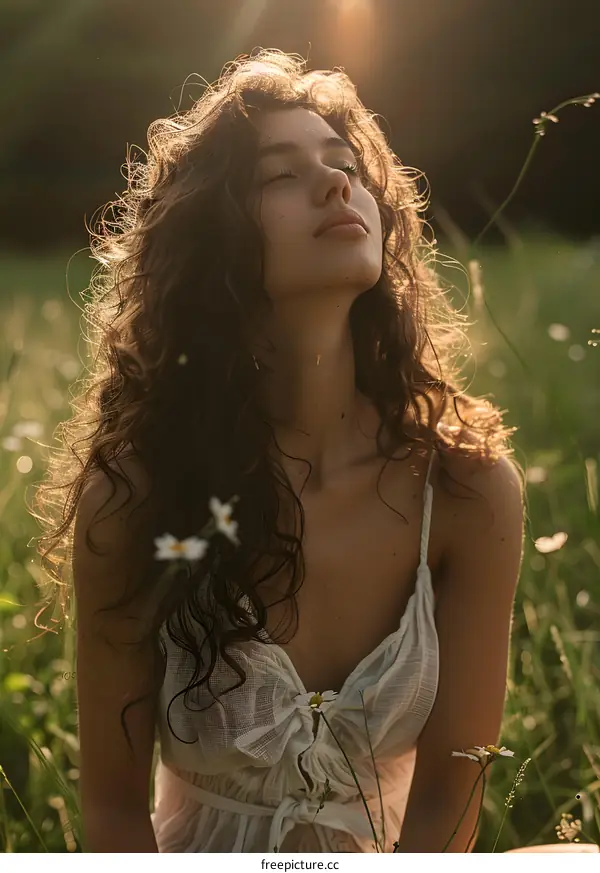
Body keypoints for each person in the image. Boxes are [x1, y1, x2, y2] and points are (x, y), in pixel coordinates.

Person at [34, 48, 551, 853]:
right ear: (214, 242)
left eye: (346, 165)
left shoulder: (465, 487)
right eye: (281, 175)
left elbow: (456, 782)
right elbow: (109, 811)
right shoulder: (137, 496)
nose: (338, 185)